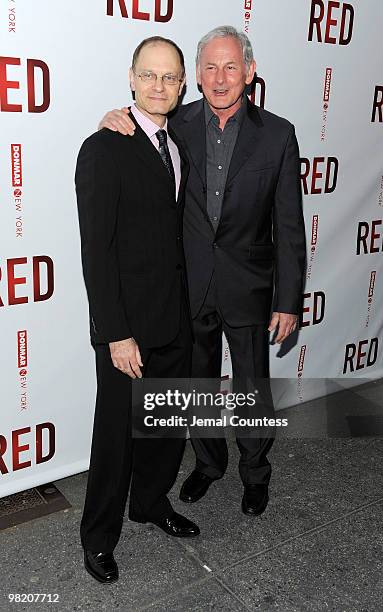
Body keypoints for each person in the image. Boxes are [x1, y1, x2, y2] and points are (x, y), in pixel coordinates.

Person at [99, 26, 306, 519]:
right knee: (199, 384)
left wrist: (288, 299)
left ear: (249, 72)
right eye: (210, 67)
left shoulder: (278, 134)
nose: (219, 78)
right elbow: (135, 132)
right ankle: (209, 464)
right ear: (195, 76)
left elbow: (290, 224)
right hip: (187, 285)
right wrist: (113, 117)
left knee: (251, 386)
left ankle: (256, 473)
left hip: (249, 287)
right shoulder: (177, 123)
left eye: (230, 66)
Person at [75, 35, 200, 585]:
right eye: (149, 75)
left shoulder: (178, 147)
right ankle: (97, 538)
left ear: (181, 86)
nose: (159, 86)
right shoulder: (103, 147)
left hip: (174, 318)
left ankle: (150, 504)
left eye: (170, 77)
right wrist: (115, 334)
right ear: (131, 78)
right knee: (116, 438)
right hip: (128, 329)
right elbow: (96, 252)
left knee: (165, 427)